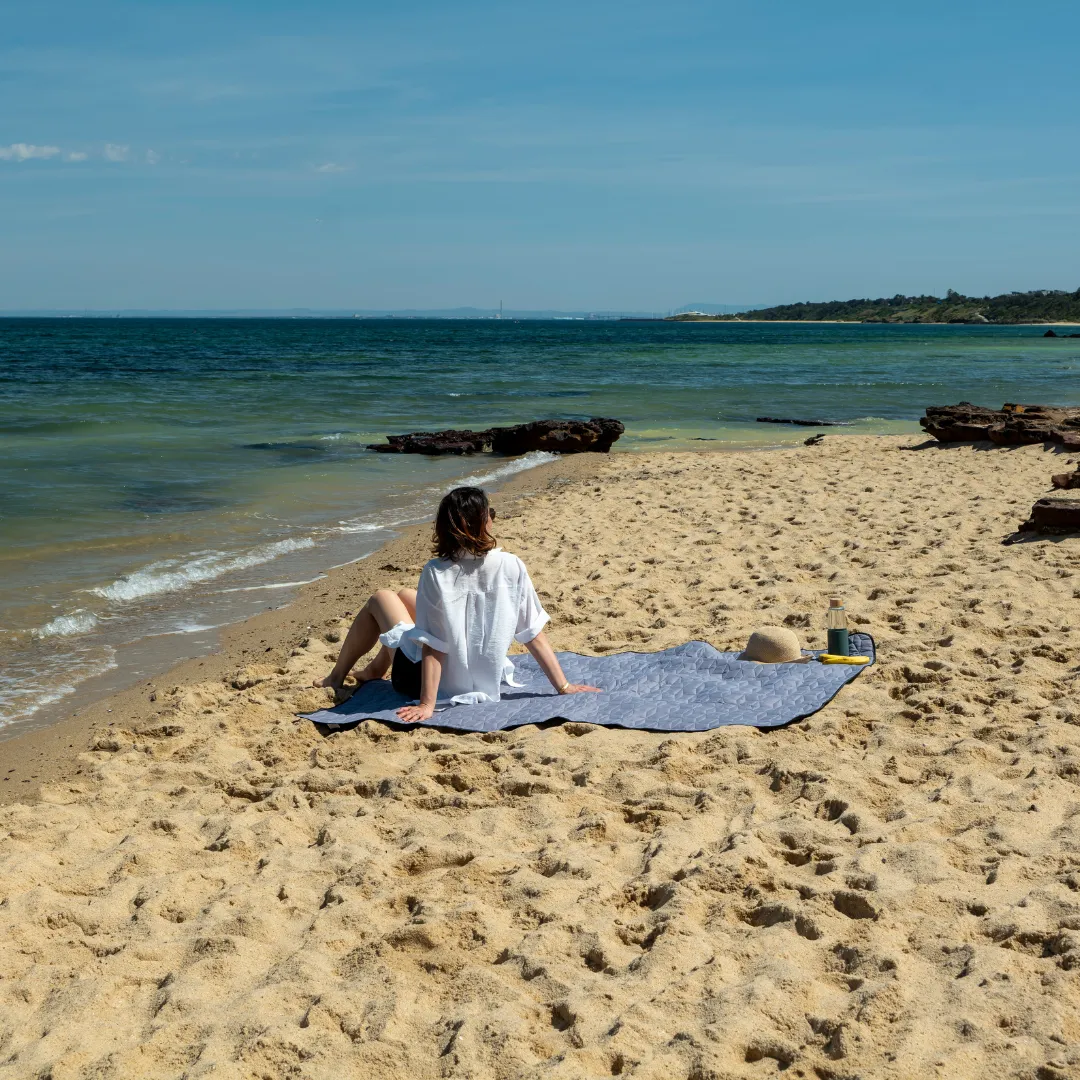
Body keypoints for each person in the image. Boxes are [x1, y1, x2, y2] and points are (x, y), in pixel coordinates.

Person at [314, 485, 600, 722]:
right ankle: (374, 670)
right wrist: (563, 686)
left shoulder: (437, 571)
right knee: (403, 595)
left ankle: (337, 676)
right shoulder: (512, 565)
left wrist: (428, 704)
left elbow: (434, 644)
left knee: (381, 598)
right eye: (491, 513)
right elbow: (532, 632)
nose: (493, 518)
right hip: (483, 672)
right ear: (483, 522)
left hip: (421, 679)